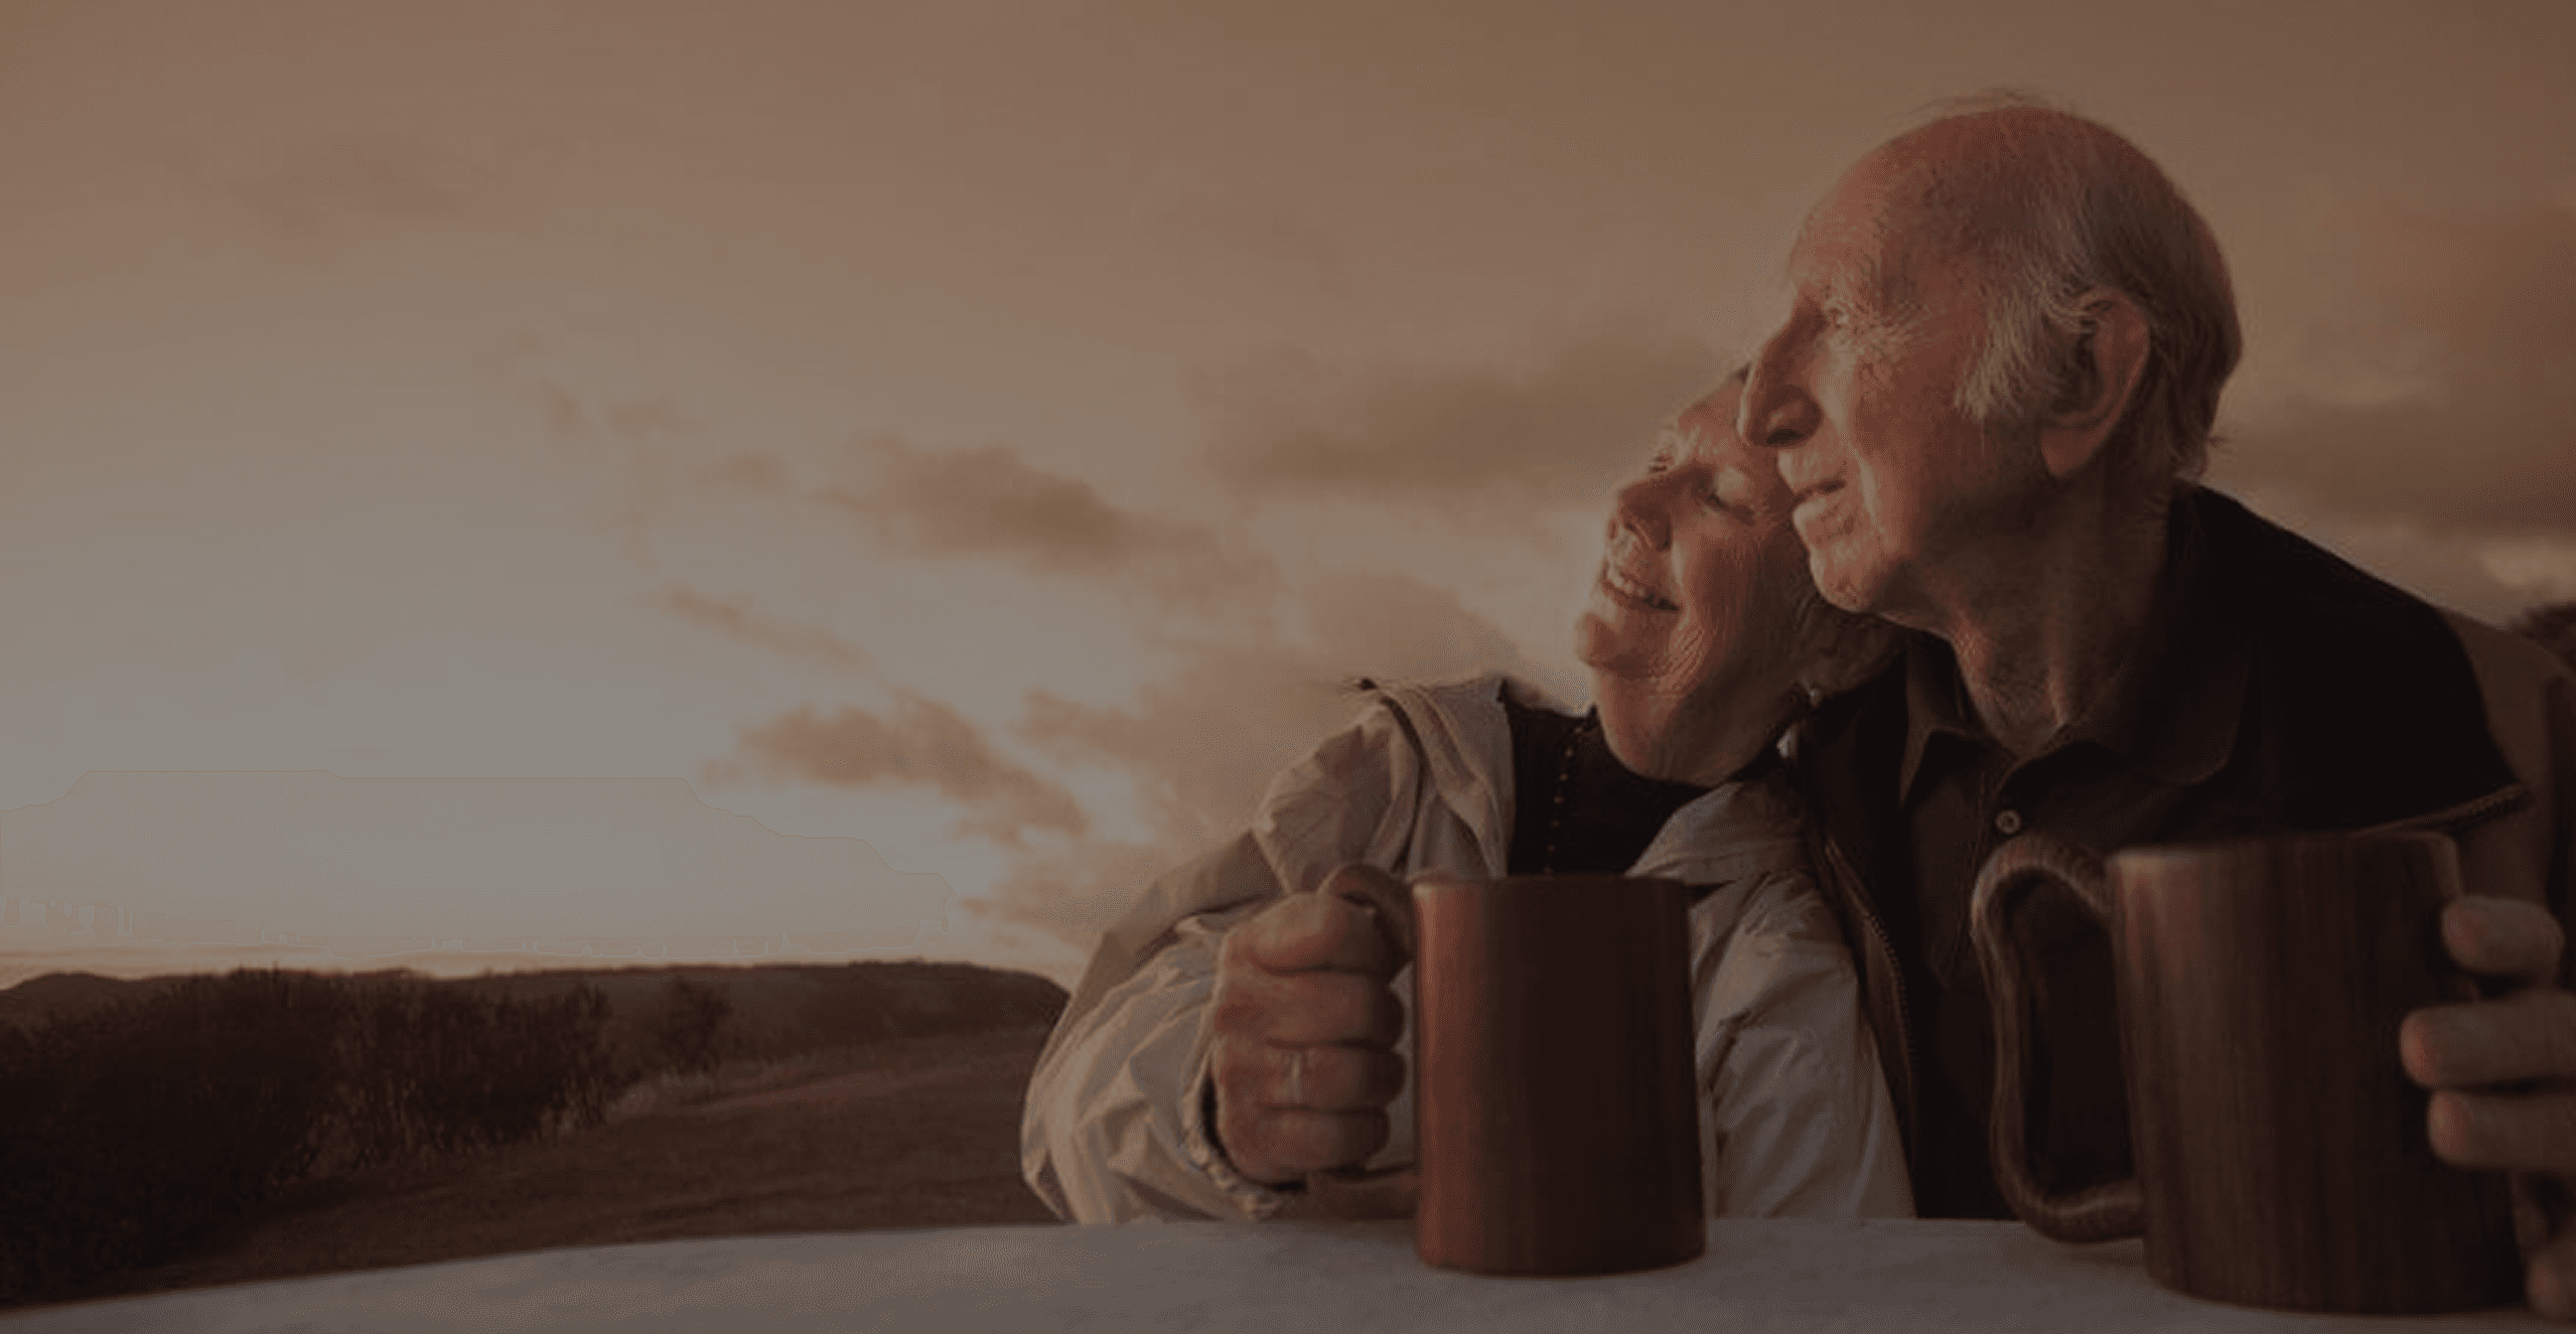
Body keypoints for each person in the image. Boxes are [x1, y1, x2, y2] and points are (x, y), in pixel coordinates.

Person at [1734, 97, 2576, 1311]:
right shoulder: (1810, 763)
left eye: (1842, 317)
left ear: (2080, 374)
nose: (1760, 405)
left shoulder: (2506, 723)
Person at [1021, 375, 1917, 1224]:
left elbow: (1826, 1293)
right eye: (1657, 460)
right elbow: (1065, 1117)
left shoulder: (1777, 967)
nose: (1632, 504)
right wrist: (1214, 1106)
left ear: (1841, 646)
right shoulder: (1400, 775)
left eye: (1718, 496)